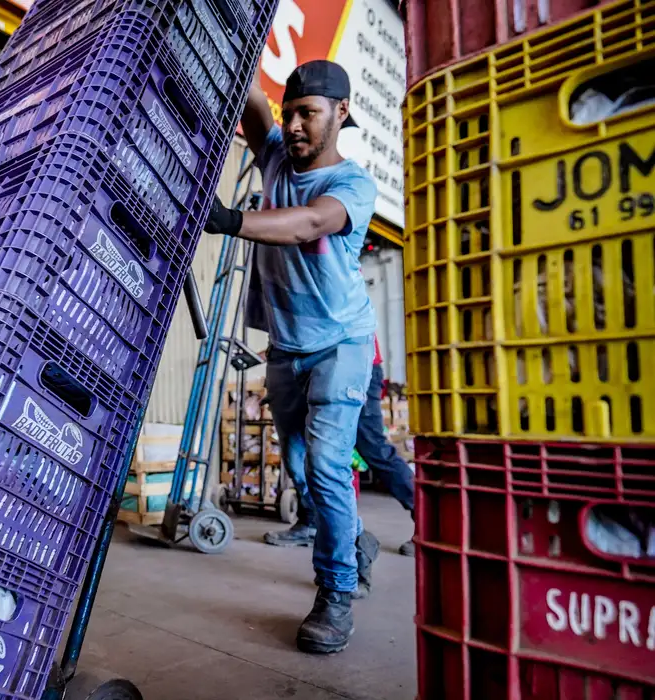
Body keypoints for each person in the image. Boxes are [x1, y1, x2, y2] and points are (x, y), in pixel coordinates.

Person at [204, 60, 378, 655]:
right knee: (300, 469)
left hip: (342, 343)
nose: (295, 125)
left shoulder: (352, 184)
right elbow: (251, 95)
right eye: (291, 113)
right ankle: (355, 538)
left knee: (327, 468)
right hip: (287, 346)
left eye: (309, 113)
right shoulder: (277, 154)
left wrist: (229, 220)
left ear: (341, 112)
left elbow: (308, 224)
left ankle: (336, 593)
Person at [265, 337, 417, 557]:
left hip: (352, 362)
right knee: (295, 447)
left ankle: (427, 520)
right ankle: (311, 521)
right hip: (307, 366)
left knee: (373, 447)